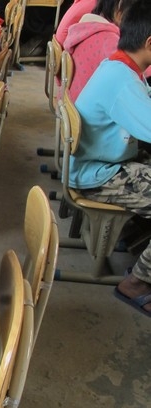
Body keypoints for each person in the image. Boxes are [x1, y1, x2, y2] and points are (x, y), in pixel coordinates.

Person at [69, 0, 151, 316]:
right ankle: (138, 283)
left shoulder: (119, 66)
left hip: (97, 162)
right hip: (97, 173)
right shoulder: (124, 81)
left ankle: (135, 239)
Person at [63, 0, 127, 101]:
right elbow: (130, 74)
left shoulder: (89, 26)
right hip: (86, 106)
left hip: (70, 101)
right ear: (119, 13)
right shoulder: (110, 41)